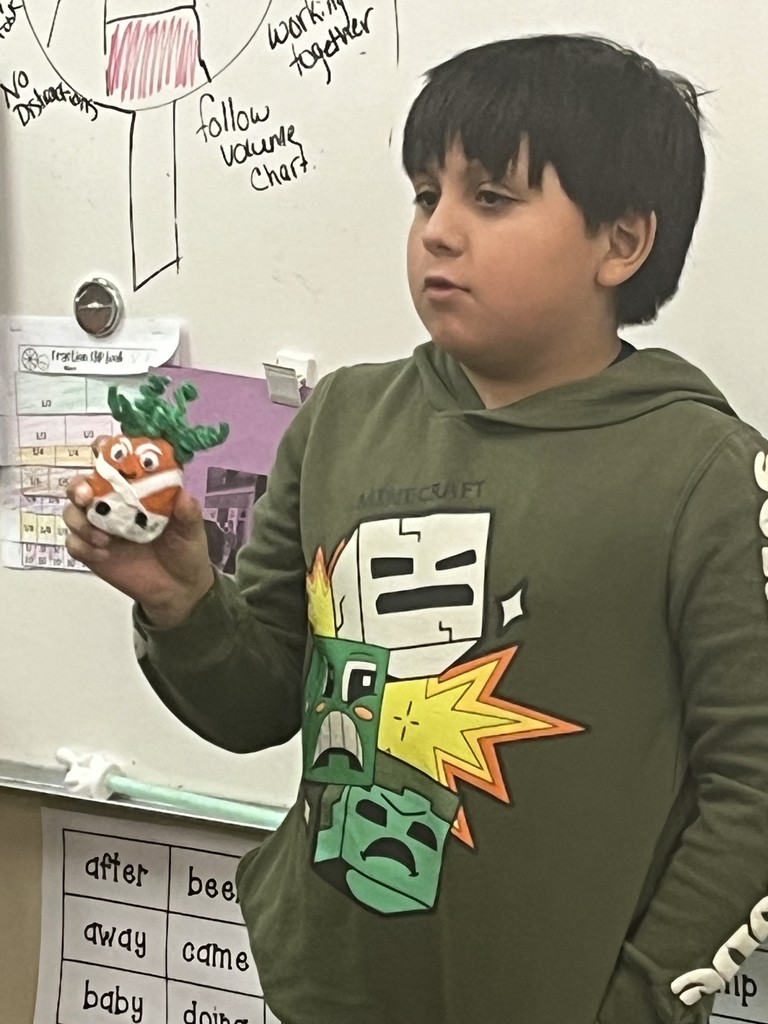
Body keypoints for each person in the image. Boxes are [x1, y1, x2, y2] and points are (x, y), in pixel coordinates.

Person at [64, 34, 768, 1024]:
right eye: (425, 196)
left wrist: (643, 1001)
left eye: (491, 198)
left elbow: (754, 783)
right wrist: (184, 602)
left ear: (622, 241)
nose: (438, 231)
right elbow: (259, 698)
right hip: (331, 993)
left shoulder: (706, 471)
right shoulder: (344, 419)